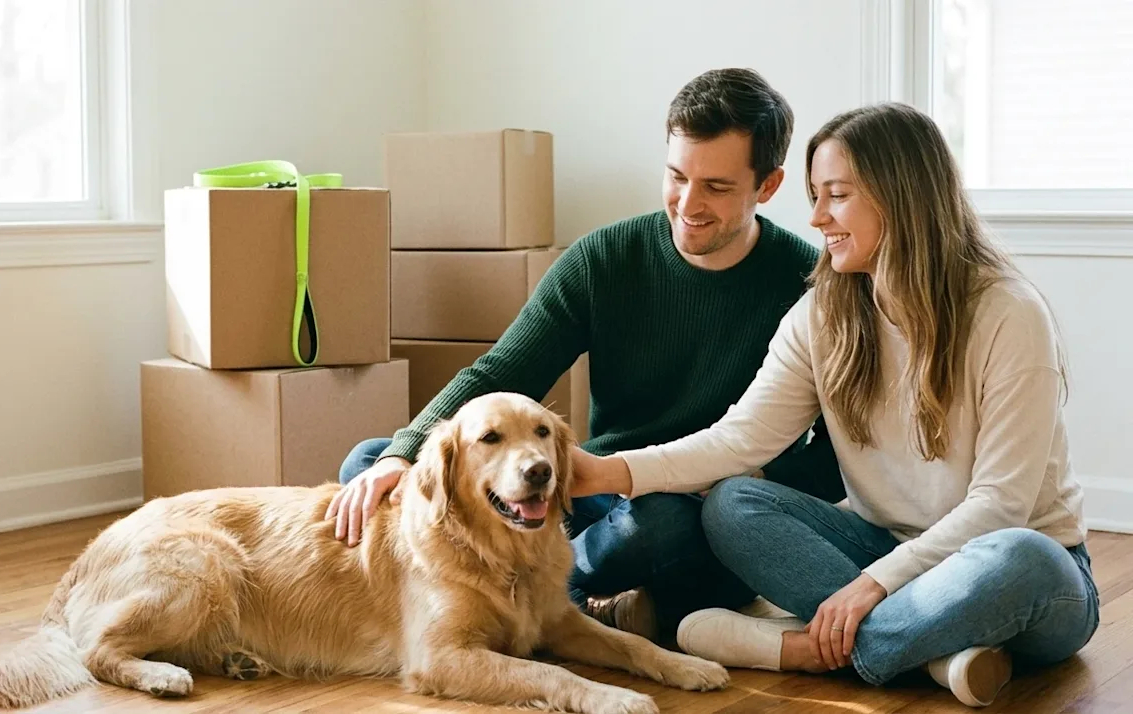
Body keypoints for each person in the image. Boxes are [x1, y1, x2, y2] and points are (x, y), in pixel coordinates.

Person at [568, 102, 1097, 707]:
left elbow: (1002, 506)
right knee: (734, 502)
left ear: (901, 197)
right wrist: (607, 472)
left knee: (1023, 555)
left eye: (836, 195)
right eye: (816, 195)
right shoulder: (822, 314)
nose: (816, 217)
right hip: (886, 548)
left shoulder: (1007, 312)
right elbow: (739, 441)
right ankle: (932, 655)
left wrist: (871, 587)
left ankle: (793, 647)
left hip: (1014, 570)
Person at [325, 68, 847, 642]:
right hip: (589, 486)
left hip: (687, 509)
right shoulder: (604, 259)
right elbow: (500, 372)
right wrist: (402, 454)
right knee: (372, 464)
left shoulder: (806, 287)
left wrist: (740, 471)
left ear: (767, 186)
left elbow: (834, 455)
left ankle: (516, 604)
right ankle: (589, 608)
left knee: (659, 528)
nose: (688, 204)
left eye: (716, 188)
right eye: (676, 176)